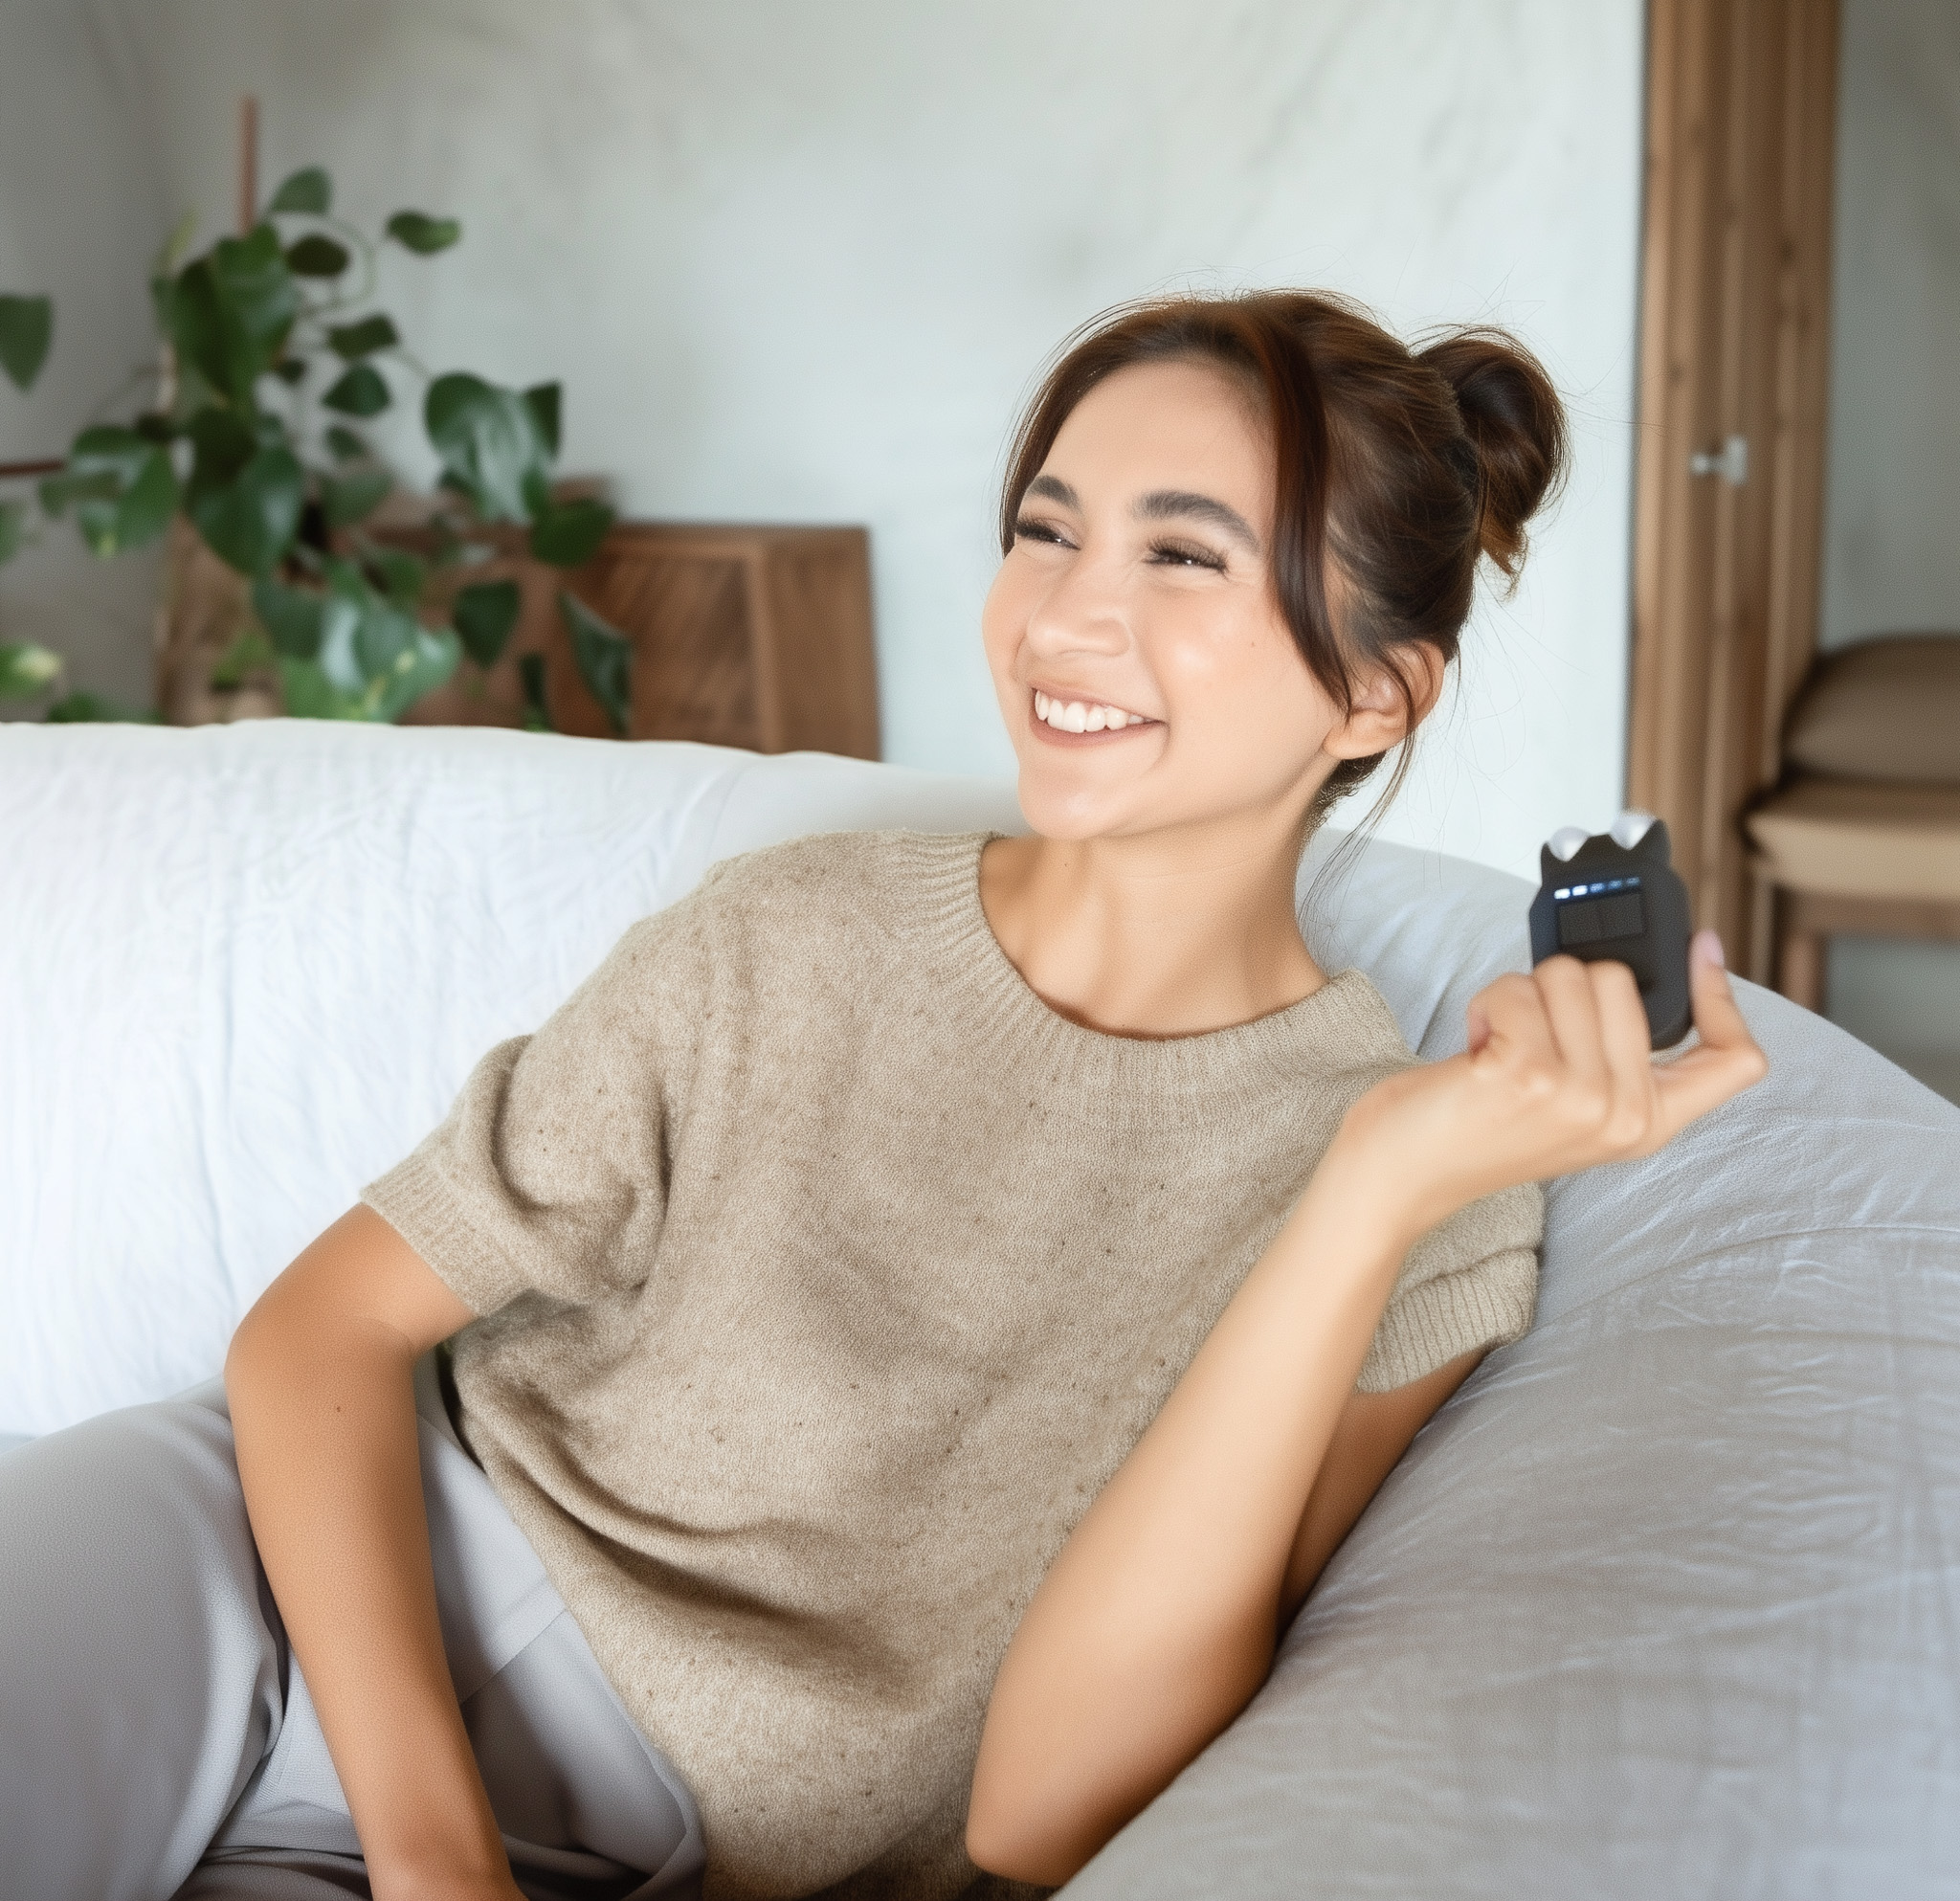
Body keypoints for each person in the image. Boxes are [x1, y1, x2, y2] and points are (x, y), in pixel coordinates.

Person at [0, 290, 1767, 1901]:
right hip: (250, 1576)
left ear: (1378, 691)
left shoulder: (1431, 1184)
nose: (1067, 614)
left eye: (1182, 556)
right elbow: (317, 1334)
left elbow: (1042, 1814)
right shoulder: (796, 930)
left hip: (643, 1847)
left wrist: (1364, 1190)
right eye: (1045, 531)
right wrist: (436, 1856)